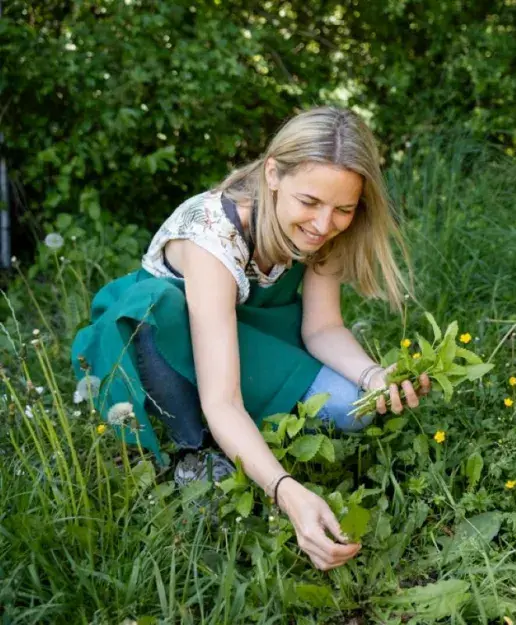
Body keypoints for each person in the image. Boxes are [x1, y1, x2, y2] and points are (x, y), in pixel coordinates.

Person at [71, 106, 431, 571]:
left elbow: (322, 327)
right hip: (168, 339)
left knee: (354, 407)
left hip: (250, 333)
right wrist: (287, 491)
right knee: (161, 322)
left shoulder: (327, 226)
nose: (324, 225)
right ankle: (195, 451)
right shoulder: (212, 235)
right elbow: (222, 399)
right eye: (310, 203)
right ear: (273, 173)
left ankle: (250, 438)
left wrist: (374, 374)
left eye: (343, 209)